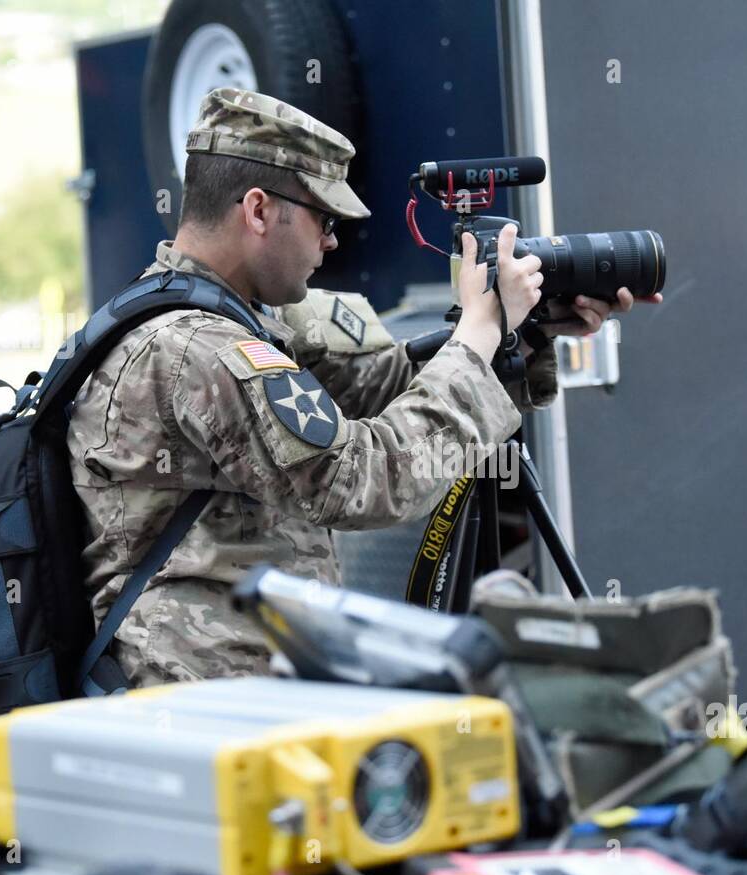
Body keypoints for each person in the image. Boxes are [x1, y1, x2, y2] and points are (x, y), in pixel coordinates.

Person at [68, 88, 649, 686]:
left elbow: (376, 391)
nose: (332, 241)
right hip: (203, 708)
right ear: (259, 210)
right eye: (323, 218)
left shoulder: (227, 320)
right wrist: (475, 338)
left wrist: (518, 337)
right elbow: (361, 480)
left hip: (247, 691)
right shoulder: (199, 349)